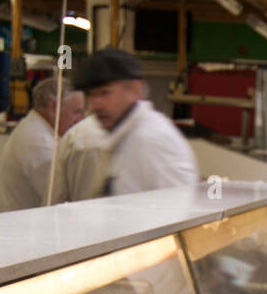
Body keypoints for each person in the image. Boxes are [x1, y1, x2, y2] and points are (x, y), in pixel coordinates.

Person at [55, 48, 198, 202]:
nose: (96, 104)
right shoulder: (126, 137)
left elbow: (179, 215)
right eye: (90, 94)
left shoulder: (150, 140)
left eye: (105, 92)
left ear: (134, 89)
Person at [0, 76, 86, 211]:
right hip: (31, 227)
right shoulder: (38, 144)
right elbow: (64, 198)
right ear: (54, 107)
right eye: (76, 112)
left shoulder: (35, 128)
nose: (80, 120)